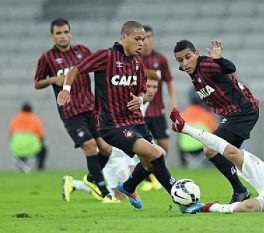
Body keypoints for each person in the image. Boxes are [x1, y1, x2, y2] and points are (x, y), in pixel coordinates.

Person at [57, 20, 176, 209]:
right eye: (137, 39)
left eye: (143, 39)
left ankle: (128, 187)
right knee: (156, 153)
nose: (141, 43)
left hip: (136, 121)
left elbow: (141, 91)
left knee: (150, 163)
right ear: (123, 37)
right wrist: (66, 89)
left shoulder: (138, 63)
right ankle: (179, 196)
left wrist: (140, 98)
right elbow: (76, 69)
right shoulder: (106, 57)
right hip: (112, 125)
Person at [34, 18, 119, 203]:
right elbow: (37, 83)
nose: (63, 36)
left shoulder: (82, 51)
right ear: (52, 36)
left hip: (91, 108)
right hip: (70, 112)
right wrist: (52, 80)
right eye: (58, 33)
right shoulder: (47, 58)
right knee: (90, 146)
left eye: (65, 32)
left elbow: (97, 69)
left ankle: (89, 179)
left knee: (106, 148)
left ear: (70, 33)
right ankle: (104, 193)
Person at [173, 39, 260, 203]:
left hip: (241, 111)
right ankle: (258, 184)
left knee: (210, 150)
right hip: (236, 113)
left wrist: (218, 59)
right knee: (231, 154)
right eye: (180, 60)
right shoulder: (194, 74)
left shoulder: (204, 64)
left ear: (197, 54)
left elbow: (230, 68)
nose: (185, 62)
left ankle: (241, 190)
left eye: (188, 57)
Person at [62, 72, 161, 202]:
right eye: (149, 86)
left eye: (155, 87)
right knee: (118, 195)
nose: (152, 90)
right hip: (112, 148)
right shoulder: (131, 98)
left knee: (125, 188)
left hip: (122, 147)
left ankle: (74, 183)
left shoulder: (144, 101)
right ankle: (85, 185)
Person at [140, 25, 177, 191]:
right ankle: (150, 180)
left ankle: (154, 175)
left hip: (157, 110)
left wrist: (173, 102)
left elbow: (169, 81)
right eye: (143, 38)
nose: (146, 41)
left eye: (148, 37)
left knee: (164, 145)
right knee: (145, 147)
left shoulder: (160, 59)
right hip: (140, 112)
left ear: (152, 38)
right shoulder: (135, 60)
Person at [178, 89, 216, 167]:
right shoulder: (206, 114)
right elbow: (215, 132)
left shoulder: (183, 114)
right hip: (201, 147)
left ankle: (184, 164)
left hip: (185, 147)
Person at [8, 102, 47, 173]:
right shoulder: (35, 120)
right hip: (32, 147)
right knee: (43, 150)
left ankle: (23, 166)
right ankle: (40, 168)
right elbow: (41, 136)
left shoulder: (15, 119)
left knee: (22, 154)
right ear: (31, 110)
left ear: (21, 110)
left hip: (17, 147)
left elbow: (11, 135)